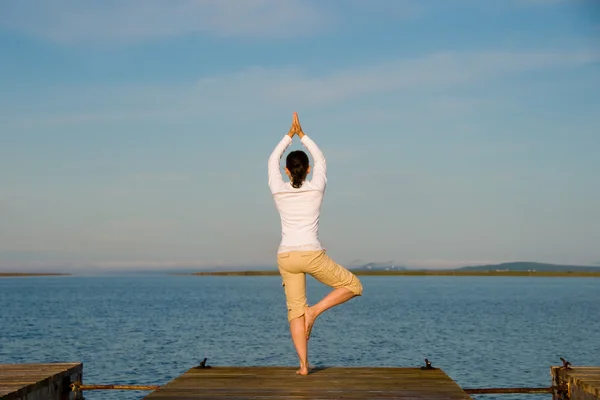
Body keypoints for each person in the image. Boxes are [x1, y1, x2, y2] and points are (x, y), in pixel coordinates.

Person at [267, 112, 363, 375]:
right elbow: (321, 158)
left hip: (286, 256)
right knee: (353, 285)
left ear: (286, 171)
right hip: (311, 253)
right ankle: (315, 312)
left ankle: (303, 366)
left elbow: (271, 159)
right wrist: (303, 135)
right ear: (308, 170)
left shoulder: (278, 188)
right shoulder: (317, 187)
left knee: (294, 311)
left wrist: (288, 135)